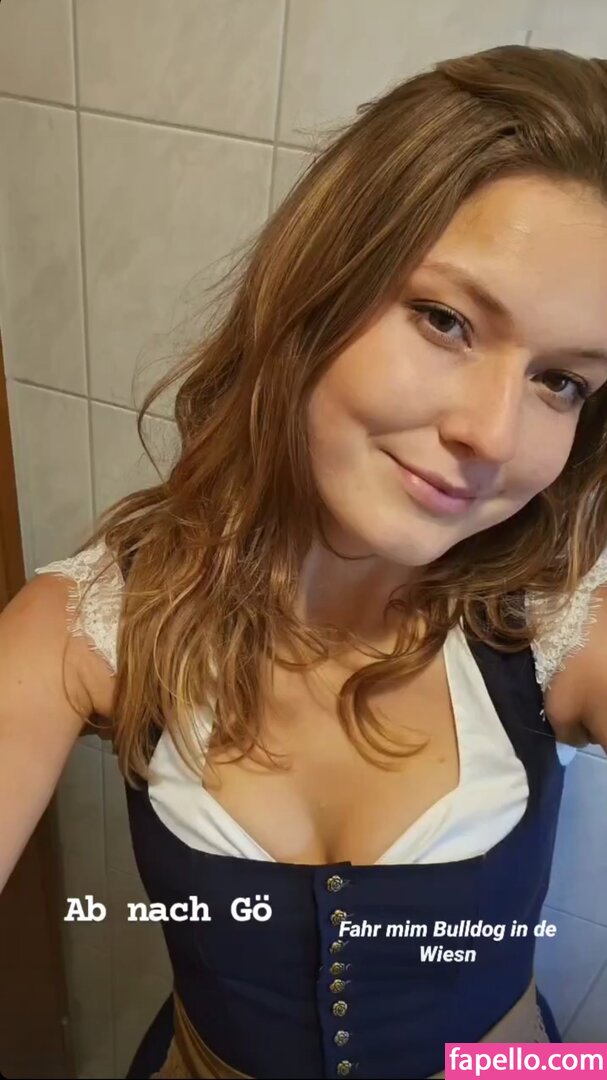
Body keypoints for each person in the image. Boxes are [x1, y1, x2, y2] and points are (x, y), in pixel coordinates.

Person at [2, 43, 607, 1080]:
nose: (494, 435)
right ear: (314, 288)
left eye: (560, 381)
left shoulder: (559, 621)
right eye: (445, 320)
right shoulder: (87, 625)